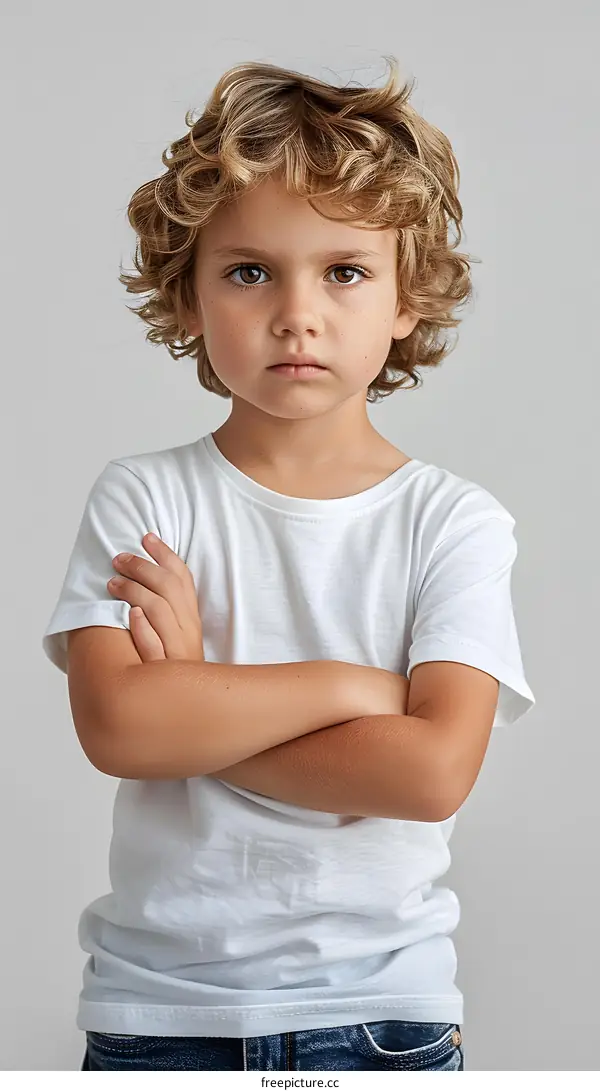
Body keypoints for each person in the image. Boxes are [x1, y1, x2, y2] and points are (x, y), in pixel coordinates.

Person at [42, 56, 535, 1072]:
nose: (296, 312)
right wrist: (360, 691)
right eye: (249, 269)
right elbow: (121, 726)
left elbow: (432, 769)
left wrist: (196, 700)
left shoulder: (453, 522)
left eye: (344, 270)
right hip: (155, 1012)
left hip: (381, 1011)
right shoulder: (144, 499)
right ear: (187, 297)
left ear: (408, 298)